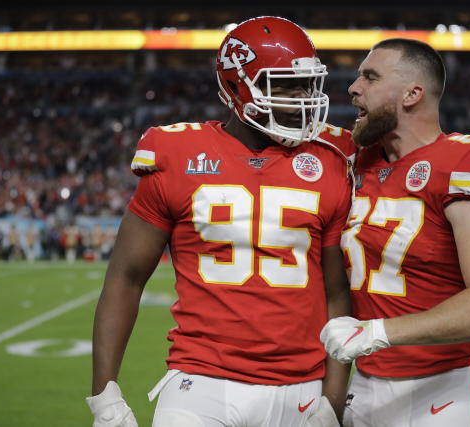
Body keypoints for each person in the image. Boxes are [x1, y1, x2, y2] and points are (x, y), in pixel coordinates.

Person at [86, 16, 356, 427]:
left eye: (307, 84)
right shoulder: (177, 153)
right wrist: (105, 392)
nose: (302, 98)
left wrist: (333, 400)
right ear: (236, 87)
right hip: (201, 382)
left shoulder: (332, 160)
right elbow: (125, 277)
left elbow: (338, 294)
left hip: (302, 385)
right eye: (283, 84)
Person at [319, 38, 470, 427]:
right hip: (365, 386)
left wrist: (377, 332)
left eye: (370, 77)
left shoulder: (467, 160)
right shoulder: (353, 161)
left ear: (413, 93)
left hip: (445, 390)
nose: (353, 87)